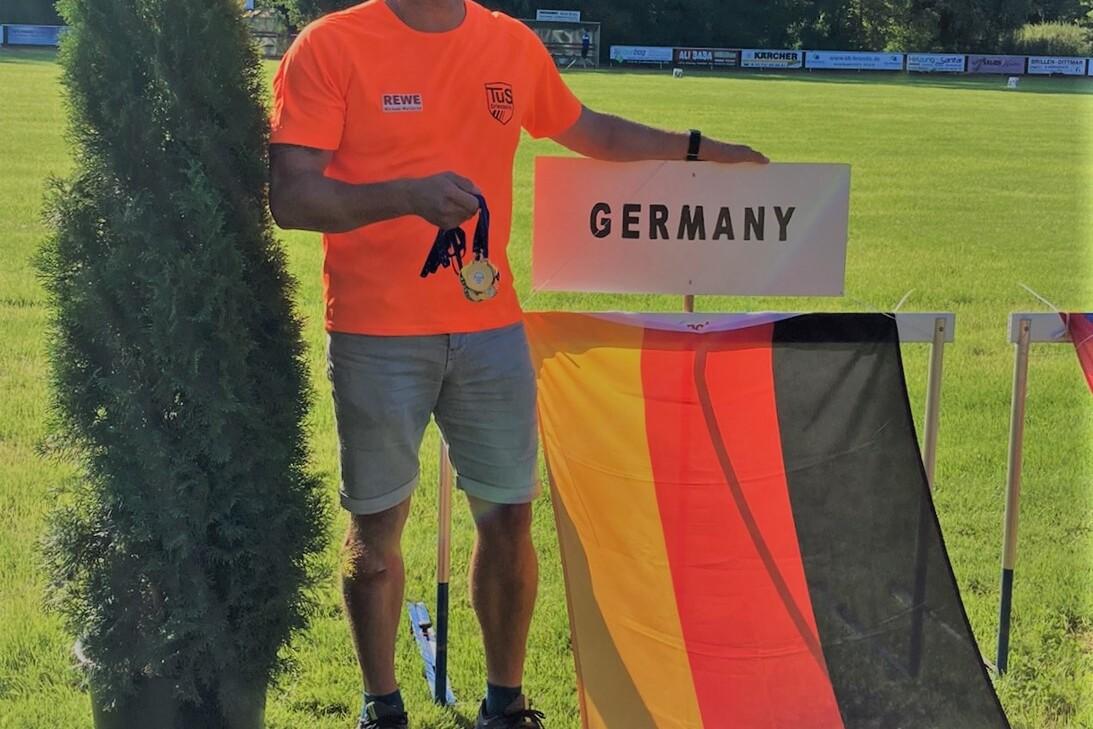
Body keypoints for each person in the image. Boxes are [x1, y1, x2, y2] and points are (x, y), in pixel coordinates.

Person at [267, 1, 767, 727]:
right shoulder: (330, 45)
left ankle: (505, 704)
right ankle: (383, 706)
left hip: (491, 329)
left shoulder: (507, 42)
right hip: (376, 334)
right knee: (375, 537)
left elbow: (587, 129)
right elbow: (292, 195)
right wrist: (403, 195)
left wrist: (695, 149)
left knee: (508, 519)